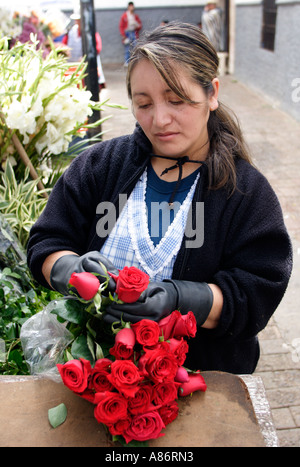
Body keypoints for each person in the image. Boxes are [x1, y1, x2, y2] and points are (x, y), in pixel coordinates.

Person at [27, 22, 292, 375]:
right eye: (144, 103)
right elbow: (47, 241)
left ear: (211, 93)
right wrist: (70, 270)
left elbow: (256, 291)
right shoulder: (100, 167)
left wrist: (181, 299)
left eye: (176, 100)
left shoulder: (244, 193)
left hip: (200, 387)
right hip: (96, 378)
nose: (159, 120)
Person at [62, 12, 106, 89]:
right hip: (72, 65)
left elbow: (97, 47)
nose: (78, 22)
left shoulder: (91, 32)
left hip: (86, 66)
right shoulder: (70, 32)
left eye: (79, 20)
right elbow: (64, 45)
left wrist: (86, 58)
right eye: (76, 20)